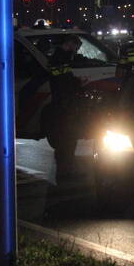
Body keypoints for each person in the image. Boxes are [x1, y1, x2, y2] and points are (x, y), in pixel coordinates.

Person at [47, 35, 83, 178]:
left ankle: (64, 169)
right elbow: (63, 79)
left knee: (65, 137)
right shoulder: (61, 58)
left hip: (61, 100)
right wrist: (77, 83)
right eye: (76, 47)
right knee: (68, 137)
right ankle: (66, 171)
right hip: (64, 101)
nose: (76, 51)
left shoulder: (59, 56)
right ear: (70, 44)